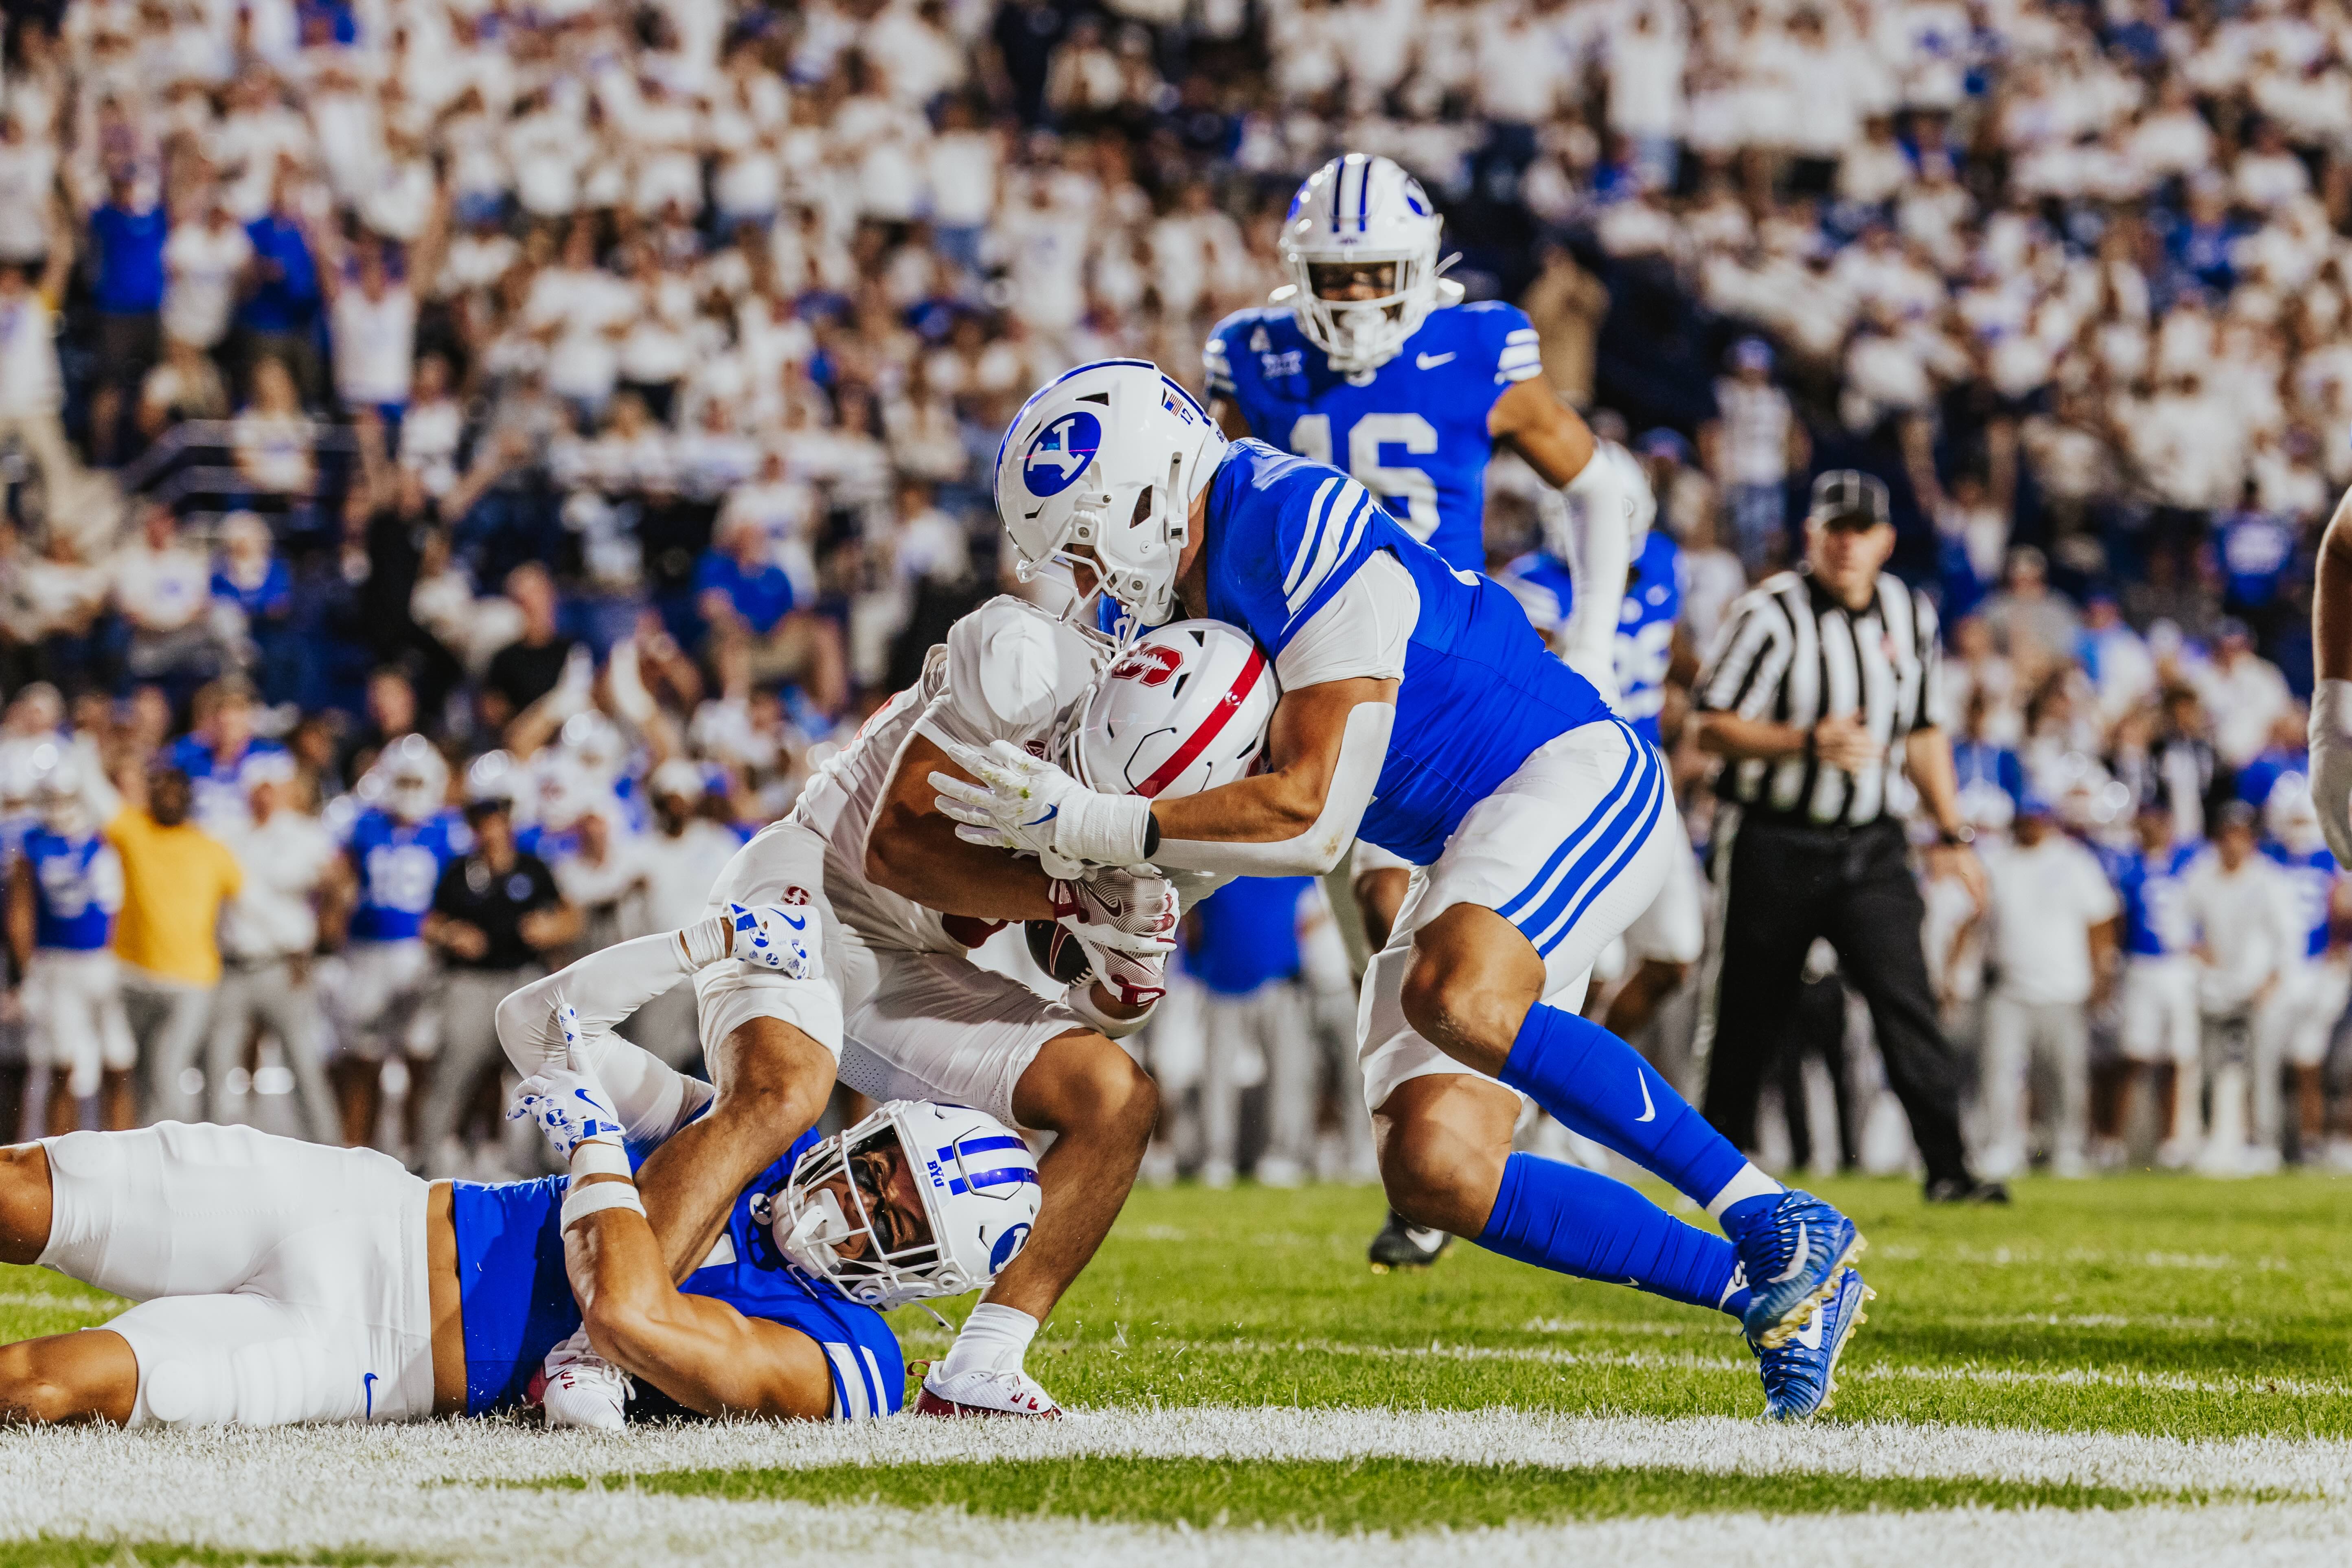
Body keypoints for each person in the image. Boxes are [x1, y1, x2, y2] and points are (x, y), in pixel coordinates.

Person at [956, 358, 1870, 1422]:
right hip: (1466, 836)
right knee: (1434, 1166)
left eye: (1083, 536)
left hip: (1562, 765)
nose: (1085, 572)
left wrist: (1100, 827)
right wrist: (1129, 896)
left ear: (1146, 497)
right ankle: (1774, 1298)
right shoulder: (1196, 585)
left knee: (1459, 990)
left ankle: (1768, 1213)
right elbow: (1244, 809)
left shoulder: (1286, 517)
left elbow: (1312, 818)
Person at [0, 922, 1038, 1428]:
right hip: (365, 1205)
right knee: (18, 1187)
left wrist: (593, 1140)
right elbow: (538, 1024)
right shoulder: (762, 1147)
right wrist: (698, 943)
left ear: (916, 1276)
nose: (857, 1199)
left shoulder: (852, 1359)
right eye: (880, 1168)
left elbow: (629, 1317)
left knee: (40, 1385)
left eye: (895, 1218)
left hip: (375, 1351)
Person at [610, 607, 1244, 1420]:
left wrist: (1124, 966)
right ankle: (593, 1344)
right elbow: (897, 846)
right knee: (781, 1094)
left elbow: (1099, 1001)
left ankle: (980, 1366)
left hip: (910, 961)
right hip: (815, 883)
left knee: (1111, 1096)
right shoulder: (1028, 659)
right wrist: (1072, 892)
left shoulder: (1177, 818)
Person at [1201, 152, 1653, 1271]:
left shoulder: (1475, 345)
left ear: (1419, 271)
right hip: (1307, 667)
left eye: (1372, 276)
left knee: (1440, 914)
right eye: (1333, 277)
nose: (1351, 299)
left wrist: (1592, 639)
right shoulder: (1250, 355)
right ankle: (1438, 1143)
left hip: (1447, 669)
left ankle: (1492, 1123)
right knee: (1384, 915)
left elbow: (1598, 485)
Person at [1690, 471, 2004, 1205]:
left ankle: (1948, 1167)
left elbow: (1924, 728)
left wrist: (1951, 832)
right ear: (1811, 534)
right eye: (1834, 527)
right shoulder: (1768, 613)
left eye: (1860, 529)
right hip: (1774, 838)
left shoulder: (1909, 610)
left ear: (1885, 540)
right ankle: (1709, 1170)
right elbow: (1707, 725)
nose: (1846, 543)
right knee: (1745, 1008)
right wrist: (1805, 742)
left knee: (1907, 1000)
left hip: (1871, 840)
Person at [416, 785, 577, 1176]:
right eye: (482, 824)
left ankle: (552, 1164)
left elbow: (571, 918)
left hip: (523, 981)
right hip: (470, 983)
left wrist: (551, 928)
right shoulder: (460, 871)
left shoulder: (533, 868)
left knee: (543, 1073)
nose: (489, 831)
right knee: (452, 1071)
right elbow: (430, 923)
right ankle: (428, 1160)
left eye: (495, 822)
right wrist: (452, 933)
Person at [328, 737, 467, 1149]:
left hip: (421, 955)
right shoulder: (363, 823)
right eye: (401, 779)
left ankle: (416, 1153)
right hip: (367, 950)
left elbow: (461, 893)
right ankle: (357, 1151)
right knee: (363, 1058)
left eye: (417, 779)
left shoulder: (450, 831)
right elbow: (338, 881)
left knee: (420, 1060)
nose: (409, 790)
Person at [1973, 792, 2120, 1179]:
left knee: (2065, 1077)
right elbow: (1977, 920)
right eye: (2024, 818)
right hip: (2009, 986)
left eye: (2037, 817)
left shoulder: (2073, 861)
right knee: (2001, 1075)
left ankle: (2067, 1147)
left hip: (2065, 987)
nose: (2030, 825)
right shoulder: (1997, 862)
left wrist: (2101, 974)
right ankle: (2001, 1146)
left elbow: (2100, 920)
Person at [208, 752, 344, 1144]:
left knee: (304, 1064)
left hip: (285, 965)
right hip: (233, 965)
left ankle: (330, 1150)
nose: (265, 797)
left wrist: (320, 946)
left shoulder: (307, 835)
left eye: (273, 788)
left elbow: (338, 888)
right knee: (220, 1065)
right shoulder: (227, 834)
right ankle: (213, 1153)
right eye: (259, 789)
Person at [105, 763, 242, 1126]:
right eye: (160, 790)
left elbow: (247, 903)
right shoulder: (135, 829)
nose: (168, 799)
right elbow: (95, 797)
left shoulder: (209, 846)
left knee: (168, 1068)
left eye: (175, 792)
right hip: (135, 976)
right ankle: (145, 1151)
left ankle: (176, 1154)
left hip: (191, 980)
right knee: (140, 1073)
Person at [8, 759, 133, 1135]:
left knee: (119, 1063)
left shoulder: (107, 836)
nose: (60, 805)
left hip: (107, 960)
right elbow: (21, 913)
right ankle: (62, 1161)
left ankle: (124, 1152)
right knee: (63, 1065)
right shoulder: (31, 842)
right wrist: (27, 971)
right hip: (56, 963)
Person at [2183, 801, 2295, 1176]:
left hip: (2257, 988)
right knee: (2210, 1069)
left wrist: (2272, 981)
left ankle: (2264, 1144)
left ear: (2251, 840)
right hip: (2215, 989)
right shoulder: (2199, 876)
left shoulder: (2269, 879)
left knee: (2260, 1071)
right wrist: (2195, 949)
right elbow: (2173, 922)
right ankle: (2208, 1142)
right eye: (2227, 836)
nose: (2233, 844)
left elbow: (2288, 937)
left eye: (2240, 836)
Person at [1188, 875, 1317, 1188]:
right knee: (1217, 1076)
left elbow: (1316, 910)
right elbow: (1189, 919)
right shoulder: (1213, 865)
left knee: (1287, 1073)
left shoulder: (1288, 864)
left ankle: (1282, 1155)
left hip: (1278, 979)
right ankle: (1216, 1157)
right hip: (1220, 978)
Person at [2102, 798, 2205, 1167]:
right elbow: (2115, 918)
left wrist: (2207, 945)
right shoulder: (2124, 864)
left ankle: (2171, 1142)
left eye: (2159, 821)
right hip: (2139, 966)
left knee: (2177, 1056)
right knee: (2133, 1055)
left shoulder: (2192, 862)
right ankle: (2112, 1140)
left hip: (2178, 967)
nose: (2152, 828)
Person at [2256, 782, 2350, 1163]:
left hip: (2321, 971)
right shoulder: (2267, 858)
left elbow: (2343, 912)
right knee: (2267, 1062)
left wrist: (2340, 946)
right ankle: (2264, 1142)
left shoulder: (2333, 859)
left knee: (2318, 1062)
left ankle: (2317, 1142)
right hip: (2276, 973)